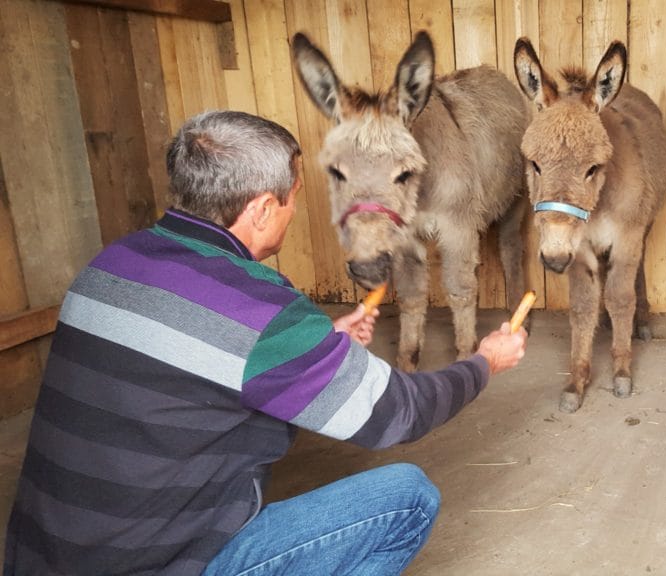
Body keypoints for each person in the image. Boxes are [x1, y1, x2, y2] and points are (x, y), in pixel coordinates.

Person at [3, 110, 528, 575]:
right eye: (293, 198)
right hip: (162, 562)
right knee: (408, 499)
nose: (295, 212)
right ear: (259, 209)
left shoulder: (109, 266)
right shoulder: (260, 309)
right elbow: (397, 413)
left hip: (42, 555)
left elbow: (203, 367)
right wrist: (484, 362)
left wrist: (317, 348)